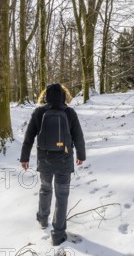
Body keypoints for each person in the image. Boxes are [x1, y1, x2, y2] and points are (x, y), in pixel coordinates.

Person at [20, 83, 86, 246]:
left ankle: (43, 219)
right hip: (64, 160)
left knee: (45, 188)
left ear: (45, 96)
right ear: (65, 96)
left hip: (45, 160)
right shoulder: (70, 113)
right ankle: (58, 234)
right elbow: (78, 136)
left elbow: (29, 137)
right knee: (62, 195)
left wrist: (24, 158)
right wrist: (81, 155)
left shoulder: (39, 112)